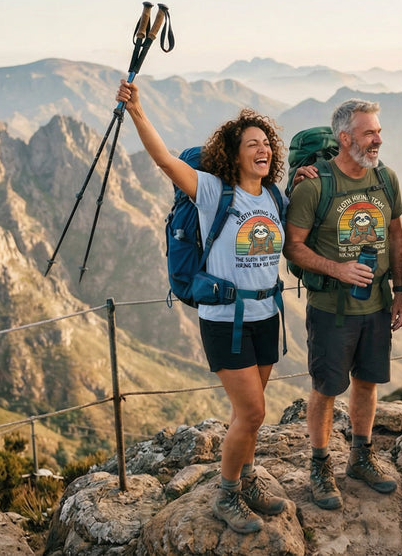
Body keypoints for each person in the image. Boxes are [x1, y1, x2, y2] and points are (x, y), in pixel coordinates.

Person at [116, 80, 289, 535]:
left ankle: (247, 479)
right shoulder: (213, 191)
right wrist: (137, 111)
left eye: (266, 142)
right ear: (233, 155)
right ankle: (226, 495)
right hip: (224, 320)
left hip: (266, 316)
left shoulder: (273, 197)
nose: (262, 149)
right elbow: (165, 160)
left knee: (246, 414)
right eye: (251, 144)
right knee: (252, 414)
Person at [283, 98, 402, 510]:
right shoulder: (314, 185)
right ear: (345, 138)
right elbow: (293, 247)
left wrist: (400, 291)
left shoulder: (386, 179)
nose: (378, 139)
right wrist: (338, 269)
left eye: (379, 131)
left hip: (375, 304)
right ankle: (320, 467)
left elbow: (395, 235)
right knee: (326, 389)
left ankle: (360, 456)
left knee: (368, 382)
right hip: (331, 307)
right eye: (370, 132)